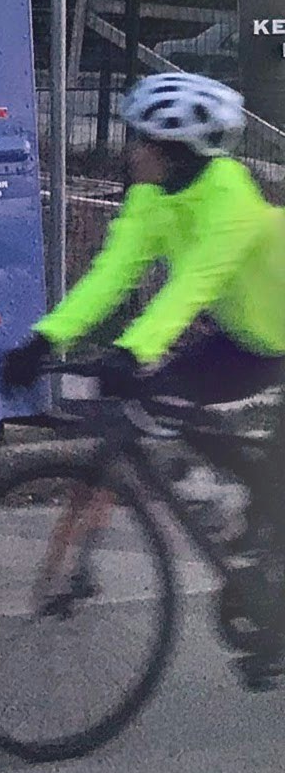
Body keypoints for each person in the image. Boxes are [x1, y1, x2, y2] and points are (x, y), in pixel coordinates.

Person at [15, 70, 285, 668]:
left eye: (141, 141)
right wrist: (44, 339)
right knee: (157, 404)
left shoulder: (232, 200)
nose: (130, 150)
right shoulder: (151, 198)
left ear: (173, 151)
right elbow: (114, 273)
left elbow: (193, 286)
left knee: (271, 479)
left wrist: (135, 350)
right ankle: (255, 541)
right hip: (246, 337)